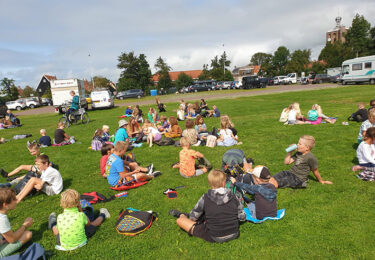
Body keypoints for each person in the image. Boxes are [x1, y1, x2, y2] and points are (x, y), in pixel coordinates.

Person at [170, 170, 246, 243]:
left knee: (180, 221)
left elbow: (193, 217)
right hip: (234, 233)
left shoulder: (205, 197)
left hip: (214, 236)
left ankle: (182, 215)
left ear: (210, 184)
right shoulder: (234, 196)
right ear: (224, 183)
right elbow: (242, 217)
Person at [0, 188, 33, 257]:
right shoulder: (2, 219)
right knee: (28, 234)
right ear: (5, 205)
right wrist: (24, 225)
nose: (17, 200)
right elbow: (12, 239)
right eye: (14, 199)